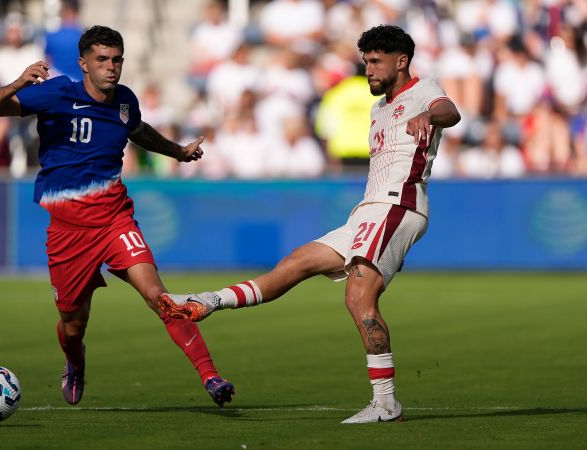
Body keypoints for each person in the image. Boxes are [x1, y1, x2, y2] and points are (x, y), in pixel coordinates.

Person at [160, 25, 461, 423]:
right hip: (367, 210)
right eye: (365, 61)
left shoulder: (424, 90)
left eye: (376, 61)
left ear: (401, 61)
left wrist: (427, 113)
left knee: (358, 299)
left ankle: (386, 403)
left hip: (398, 205)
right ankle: (209, 300)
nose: (368, 69)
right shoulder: (378, 108)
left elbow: (450, 111)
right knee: (297, 262)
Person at [0, 25, 234, 407]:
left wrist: (177, 152)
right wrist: (17, 82)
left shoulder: (125, 100)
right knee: (73, 323)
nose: (111, 67)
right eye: (102, 60)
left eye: (116, 60)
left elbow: (139, 132)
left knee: (159, 297)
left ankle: (211, 377)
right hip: (67, 231)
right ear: (83, 63)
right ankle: (74, 362)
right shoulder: (57, 92)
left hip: (115, 220)